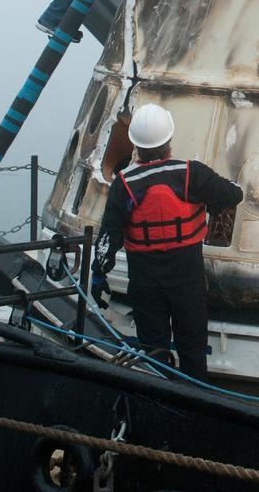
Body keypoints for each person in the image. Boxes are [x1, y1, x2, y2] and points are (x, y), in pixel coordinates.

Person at [90, 103, 242, 381]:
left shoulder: (125, 184)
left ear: (135, 144)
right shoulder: (192, 174)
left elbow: (108, 239)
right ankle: (196, 401)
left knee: (153, 350)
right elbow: (232, 195)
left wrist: (98, 275)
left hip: (145, 281)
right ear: (169, 139)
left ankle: (159, 400)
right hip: (188, 278)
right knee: (193, 348)